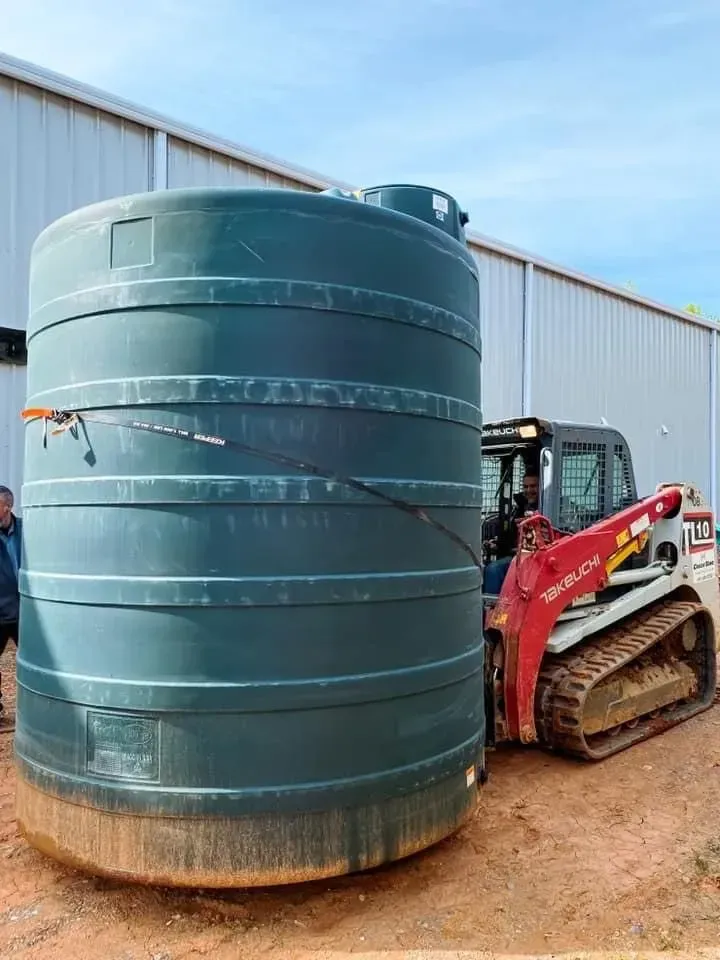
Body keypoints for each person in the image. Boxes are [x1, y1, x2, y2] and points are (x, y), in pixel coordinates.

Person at [483, 468, 539, 596]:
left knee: (493, 570)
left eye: (533, 486)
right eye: (525, 487)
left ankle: (492, 606)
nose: (528, 490)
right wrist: (497, 544)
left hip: (533, 557)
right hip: (517, 554)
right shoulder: (520, 508)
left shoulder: (546, 508)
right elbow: (511, 536)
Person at [0, 485, 22, 719]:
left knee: (35, 662)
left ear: (7, 507)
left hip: (26, 613)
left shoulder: (26, 530)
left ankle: (36, 707)